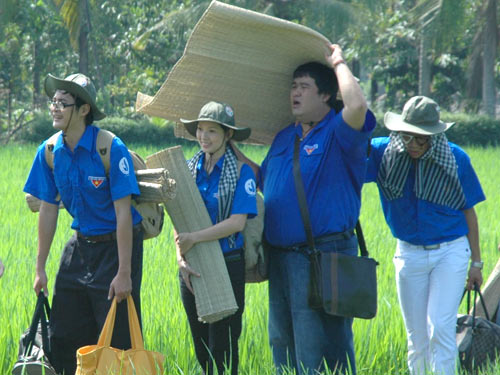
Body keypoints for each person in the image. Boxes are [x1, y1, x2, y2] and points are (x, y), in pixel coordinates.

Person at [238, 44, 375, 375]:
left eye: (304, 87)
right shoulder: (286, 137)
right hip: (282, 258)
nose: (295, 93)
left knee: (326, 345)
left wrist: (339, 62)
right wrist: (228, 147)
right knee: (283, 340)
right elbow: (263, 179)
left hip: (324, 257)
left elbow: (356, 105)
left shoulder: (339, 132)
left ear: (326, 95)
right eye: (293, 86)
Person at [23, 73, 144, 375]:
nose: (55, 108)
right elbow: (49, 209)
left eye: (63, 103)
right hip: (79, 247)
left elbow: (123, 214)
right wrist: (40, 268)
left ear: (83, 110)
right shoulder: (50, 152)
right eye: (53, 102)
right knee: (63, 334)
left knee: (115, 342)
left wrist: (125, 273)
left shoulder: (110, 149)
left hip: (115, 249)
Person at [365, 96, 484, 375]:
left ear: (435, 135)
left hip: (450, 250)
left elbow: (470, 213)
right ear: (399, 131)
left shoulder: (454, 158)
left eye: (422, 139)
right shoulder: (384, 153)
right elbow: (349, 161)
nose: (414, 145)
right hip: (408, 253)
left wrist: (476, 264)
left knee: (441, 327)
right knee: (416, 336)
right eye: (408, 137)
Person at [175, 101, 257, 375]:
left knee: (224, 343)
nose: (204, 137)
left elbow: (236, 223)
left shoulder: (241, 174)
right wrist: (180, 259)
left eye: (212, 131)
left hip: (227, 263)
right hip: (192, 266)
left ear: (228, 135)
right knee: (201, 345)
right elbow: (178, 218)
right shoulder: (187, 170)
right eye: (200, 130)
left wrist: (194, 238)